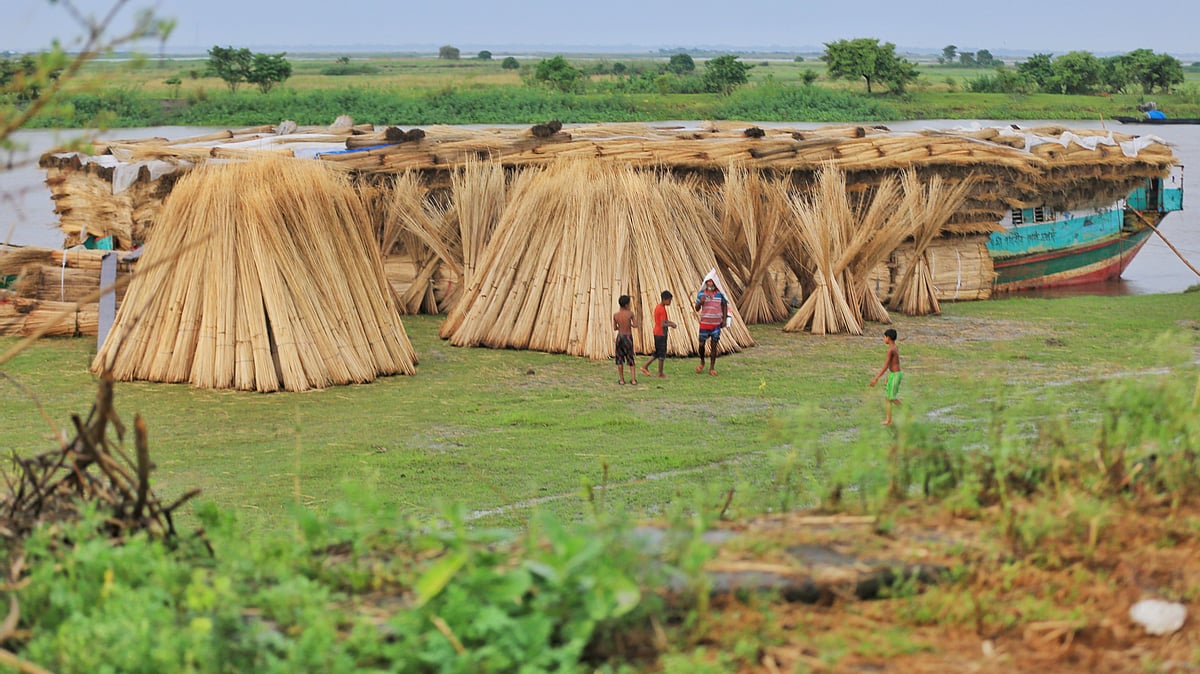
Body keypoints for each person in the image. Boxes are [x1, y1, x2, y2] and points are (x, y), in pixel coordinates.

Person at [694, 277, 728, 376]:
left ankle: (712, 368)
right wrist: (701, 302)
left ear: (715, 283)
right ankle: (702, 361)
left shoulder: (720, 294)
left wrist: (724, 319)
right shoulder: (701, 294)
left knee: (714, 346)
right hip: (704, 324)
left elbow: (724, 305)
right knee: (701, 345)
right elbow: (696, 308)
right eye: (708, 282)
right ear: (706, 283)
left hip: (716, 324)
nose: (710, 283)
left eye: (712, 281)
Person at [640, 290, 677, 378]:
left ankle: (645, 367)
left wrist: (670, 322)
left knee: (657, 353)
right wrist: (671, 325)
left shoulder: (659, 307)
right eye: (669, 300)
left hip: (657, 332)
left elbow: (664, 321)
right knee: (661, 354)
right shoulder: (662, 309)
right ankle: (660, 373)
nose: (670, 302)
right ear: (664, 299)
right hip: (661, 333)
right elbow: (663, 324)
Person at [869, 328, 902, 425]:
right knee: (888, 398)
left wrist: (876, 378)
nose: (884, 339)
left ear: (888, 338)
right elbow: (894, 364)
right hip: (893, 374)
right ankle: (889, 420)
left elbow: (886, 366)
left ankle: (907, 413)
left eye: (884, 337)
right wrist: (889, 375)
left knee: (891, 398)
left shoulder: (891, 350)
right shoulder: (894, 347)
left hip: (895, 375)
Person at [613, 294, 638, 385]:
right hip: (628, 337)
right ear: (627, 304)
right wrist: (629, 324)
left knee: (619, 359)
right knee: (630, 358)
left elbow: (615, 328)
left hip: (620, 337)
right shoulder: (630, 314)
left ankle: (622, 380)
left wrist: (620, 326)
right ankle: (633, 380)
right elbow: (635, 325)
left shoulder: (616, 315)